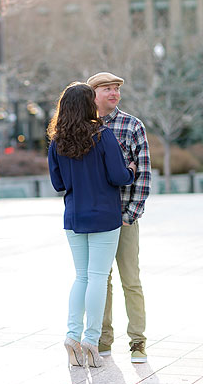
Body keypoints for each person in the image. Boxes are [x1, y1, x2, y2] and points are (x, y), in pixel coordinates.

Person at [47, 82, 136, 368]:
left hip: (74, 217)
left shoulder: (56, 141)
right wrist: (131, 170)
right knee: (98, 278)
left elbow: (58, 184)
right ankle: (91, 339)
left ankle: (72, 337)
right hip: (104, 217)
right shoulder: (103, 135)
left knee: (81, 277)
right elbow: (118, 176)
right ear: (89, 104)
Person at [86, 71, 151, 364]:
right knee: (101, 280)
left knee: (130, 280)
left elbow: (145, 175)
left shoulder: (132, 125)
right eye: (107, 89)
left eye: (117, 89)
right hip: (97, 219)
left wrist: (130, 214)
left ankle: (137, 341)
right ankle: (103, 338)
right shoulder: (83, 127)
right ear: (93, 94)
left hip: (124, 218)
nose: (114, 93)